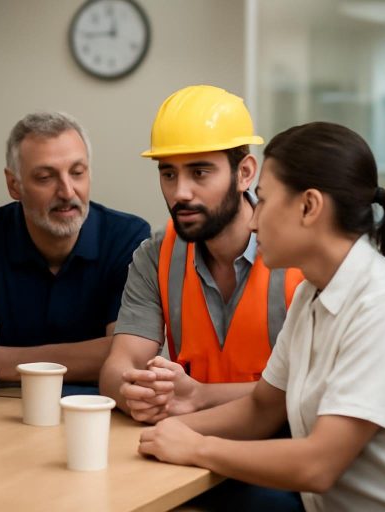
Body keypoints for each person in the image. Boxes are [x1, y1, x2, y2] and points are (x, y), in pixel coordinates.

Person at [139, 121, 385, 511]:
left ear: (309, 206)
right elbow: (261, 409)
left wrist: (197, 446)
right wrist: (160, 433)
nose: (253, 220)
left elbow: (318, 466)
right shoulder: (311, 293)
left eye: (265, 201)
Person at [99, 85, 304, 422]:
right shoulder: (155, 256)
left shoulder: (300, 257)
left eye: (200, 172)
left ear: (246, 173)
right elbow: (118, 366)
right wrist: (133, 393)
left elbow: (312, 388)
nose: (180, 192)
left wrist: (199, 397)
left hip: (278, 454)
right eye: (168, 174)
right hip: (185, 447)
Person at [0, 112, 150, 391]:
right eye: (46, 177)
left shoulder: (126, 237)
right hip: (1, 411)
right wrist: (98, 356)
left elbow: (129, 358)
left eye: (77, 172)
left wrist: (8, 362)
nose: (67, 191)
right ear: (14, 185)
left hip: (98, 409)